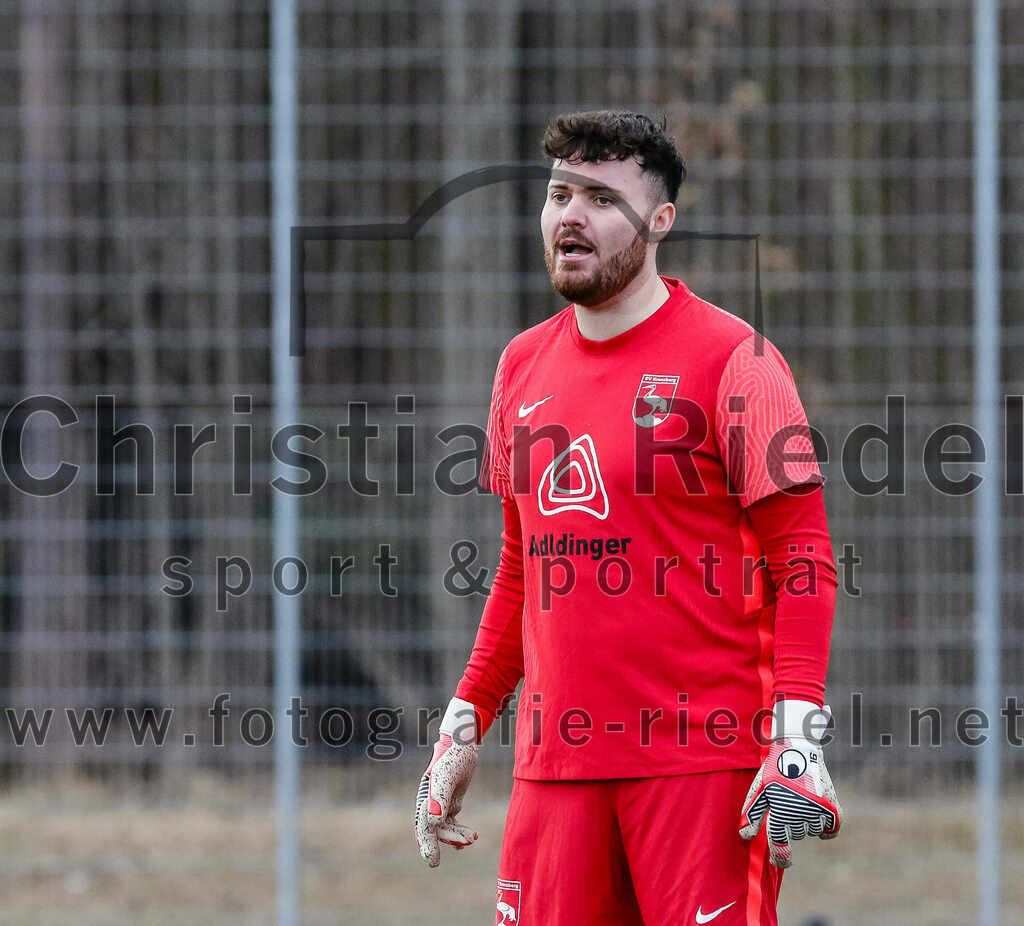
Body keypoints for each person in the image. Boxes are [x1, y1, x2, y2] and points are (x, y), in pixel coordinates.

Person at [415, 110, 842, 926]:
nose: (570, 215)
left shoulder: (737, 360)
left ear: (659, 220)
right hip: (554, 775)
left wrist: (798, 736)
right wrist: (462, 728)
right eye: (559, 193)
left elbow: (806, 561)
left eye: (601, 198)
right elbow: (520, 570)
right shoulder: (520, 365)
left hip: (701, 767)